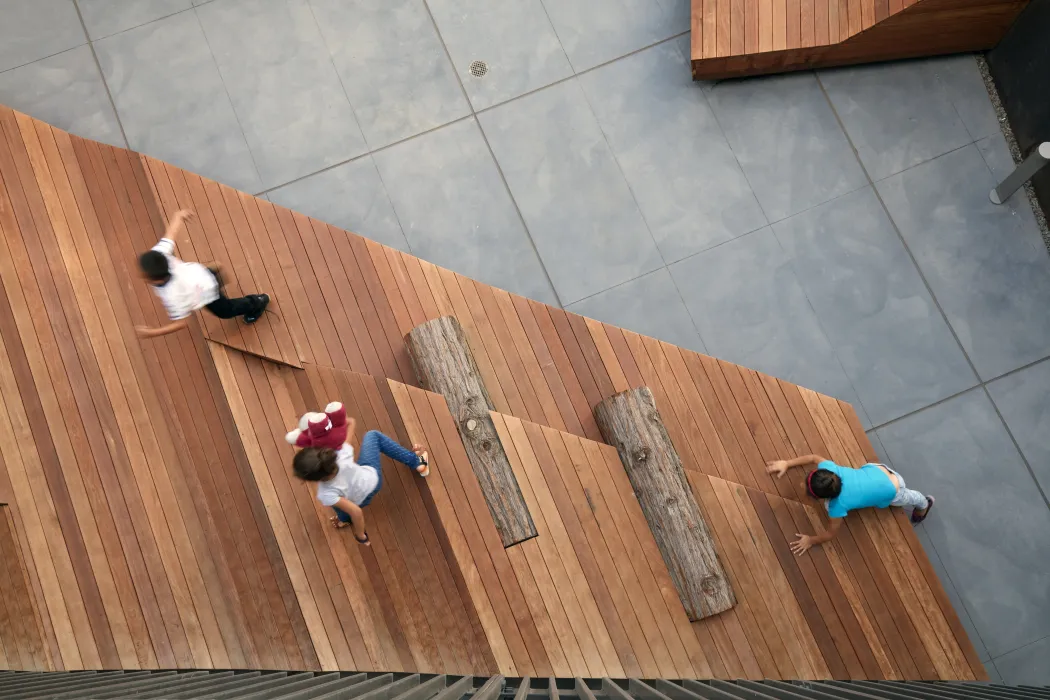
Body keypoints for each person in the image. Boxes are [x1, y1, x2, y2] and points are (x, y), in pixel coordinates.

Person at [292, 416, 428, 546]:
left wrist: (361, 535)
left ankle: (344, 520)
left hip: (355, 499)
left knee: (336, 503)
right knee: (373, 435)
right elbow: (351, 422)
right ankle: (417, 463)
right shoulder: (341, 454)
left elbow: (355, 511)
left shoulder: (325, 493)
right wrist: (327, 425)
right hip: (372, 481)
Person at [135, 209, 269, 339]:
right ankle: (213, 271)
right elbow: (170, 234)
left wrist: (152, 333)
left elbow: (181, 323)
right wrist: (179, 216)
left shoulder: (173, 295)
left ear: (156, 280)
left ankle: (257, 302)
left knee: (225, 311)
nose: (140, 274)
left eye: (144, 275)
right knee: (208, 276)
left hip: (205, 290)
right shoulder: (159, 254)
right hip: (197, 272)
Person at [766, 454, 934, 556]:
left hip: (894, 489)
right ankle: (921, 502)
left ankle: (925, 503)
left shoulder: (837, 507)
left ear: (822, 498)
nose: (802, 486)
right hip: (878, 470)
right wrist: (786, 462)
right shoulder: (830, 470)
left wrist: (811, 540)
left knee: (910, 497)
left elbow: (831, 534)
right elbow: (813, 457)